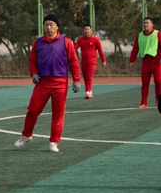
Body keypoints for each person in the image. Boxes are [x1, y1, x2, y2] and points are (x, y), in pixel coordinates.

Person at [14, 14, 81, 153]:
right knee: (33, 109)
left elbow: (73, 62)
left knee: (58, 113)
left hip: (60, 83)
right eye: (46, 25)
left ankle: (54, 142)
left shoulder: (66, 42)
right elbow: (32, 60)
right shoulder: (38, 43)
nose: (48, 27)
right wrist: (33, 73)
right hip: (42, 83)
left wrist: (76, 80)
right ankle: (26, 135)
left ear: (57, 26)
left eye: (51, 24)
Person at [128, 17, 161, 108]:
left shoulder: (158, 34)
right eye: (144, 23)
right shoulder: (140, 35)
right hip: (146, 61)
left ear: (152, 25)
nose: (145, 25)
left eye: (147, 23)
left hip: (156, 61)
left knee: (158, 81)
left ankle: (159, 100)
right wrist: (132, 60)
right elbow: (135, 48)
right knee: (145, 83)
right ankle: (144, 103)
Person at [74, 25, 106, 99]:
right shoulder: (80, 40)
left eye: (88, 29)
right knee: (85, 77)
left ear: (91, 30)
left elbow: (100, 51)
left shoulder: (95, 40)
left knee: (89, 77)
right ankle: (90, 92)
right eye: (85, 29)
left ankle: (87, 92)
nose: (86, 31)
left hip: (92, 62)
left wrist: (103, 60)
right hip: (84, 62)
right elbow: (74, 48)